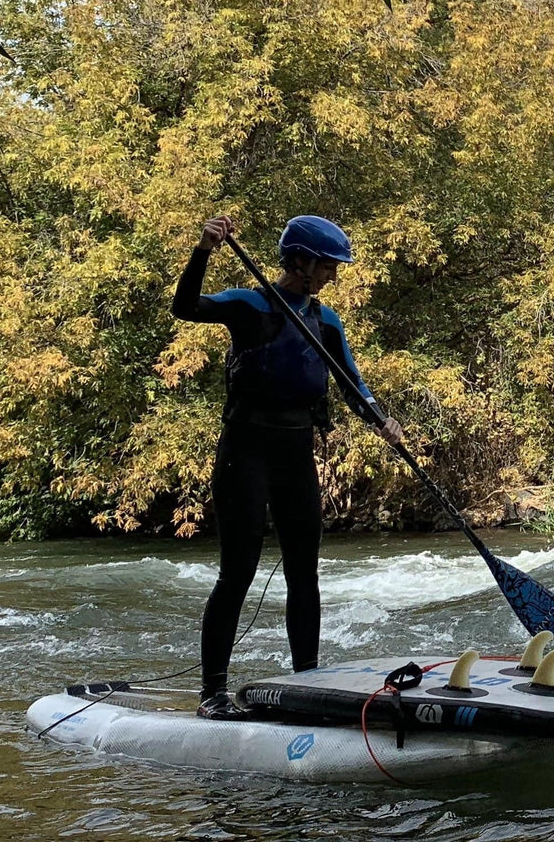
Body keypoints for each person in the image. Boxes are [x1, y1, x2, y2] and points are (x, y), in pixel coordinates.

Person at [172, 213, 404, 720]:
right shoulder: (248, 304)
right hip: (245, 453)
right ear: (298, 260)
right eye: (326, 265)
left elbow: (352, 383)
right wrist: (204, 251)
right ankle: (212, 694)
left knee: (305, 572)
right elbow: (184, 307)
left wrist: (382, 421)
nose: (332, 275)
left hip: (296, 452)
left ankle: (308, 682)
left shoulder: (325, 320)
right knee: (237, 574)